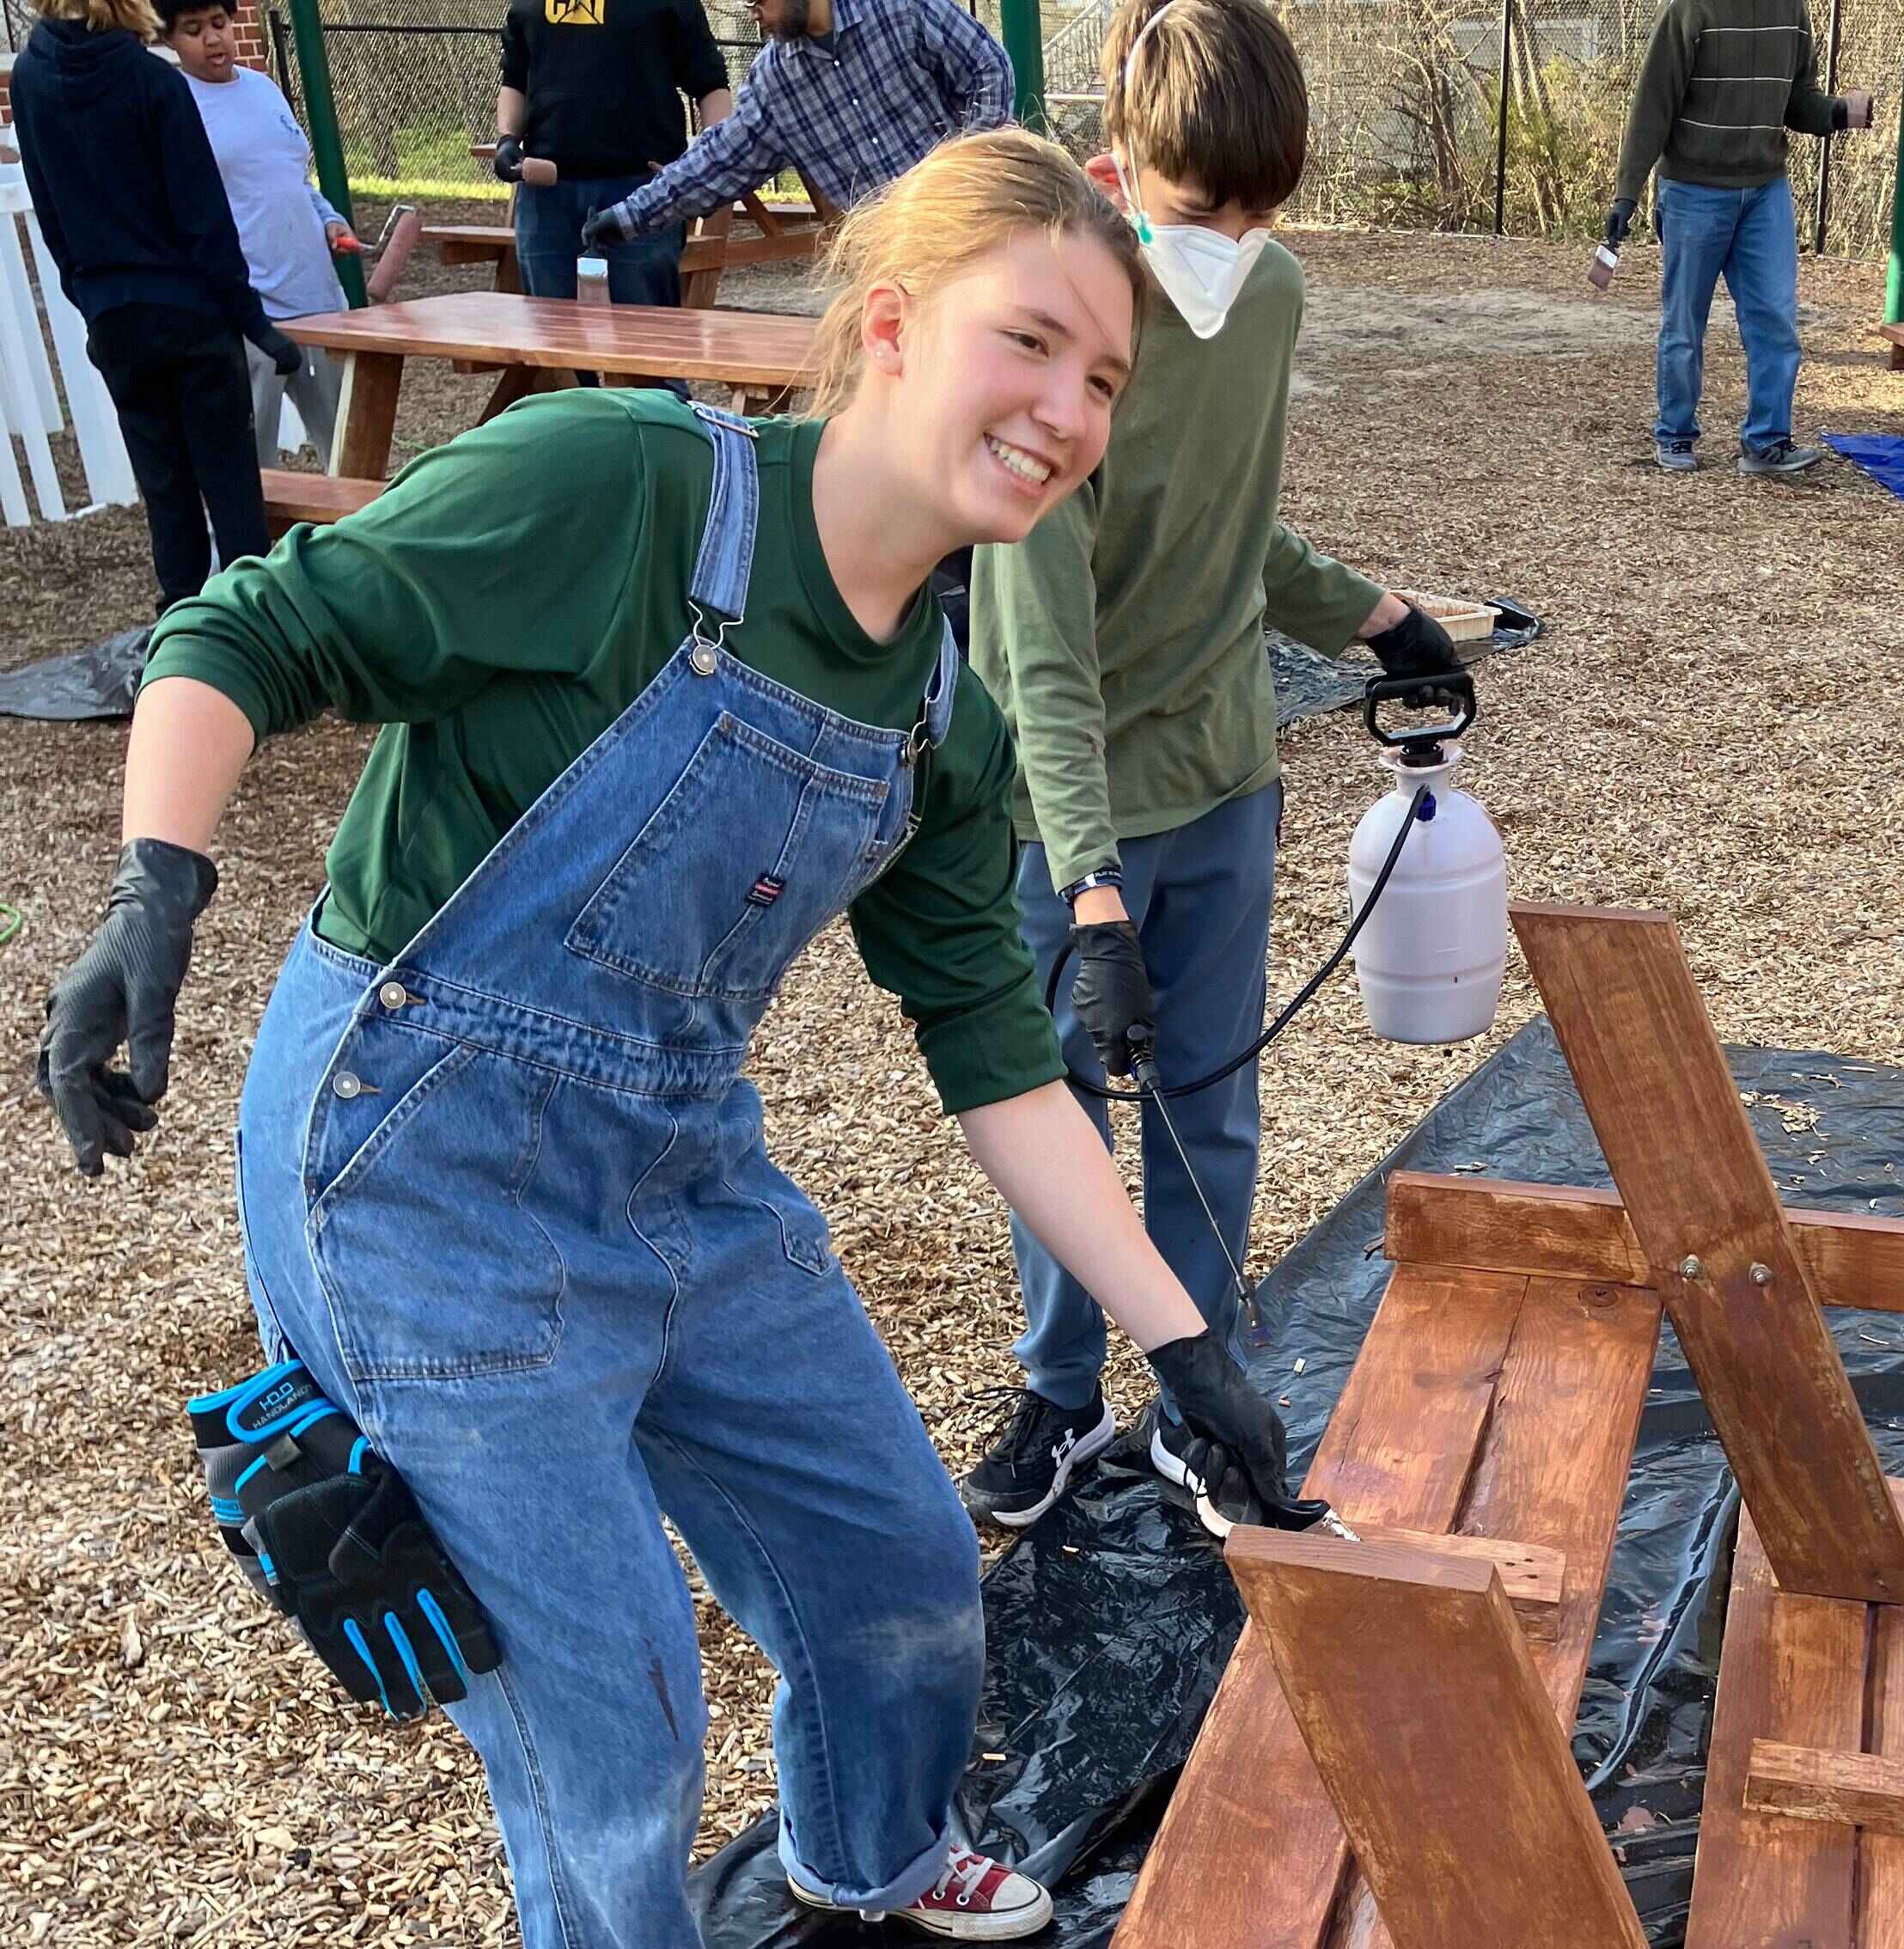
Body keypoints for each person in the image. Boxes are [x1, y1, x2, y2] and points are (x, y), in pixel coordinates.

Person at [34, 129, 1299, 1947]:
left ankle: (867, 1852)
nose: (1068, 407)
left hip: (677, 1161)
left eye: (1103, 377)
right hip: (419, 1178)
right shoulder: (619, 487)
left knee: (903, 1571)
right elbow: (251, 628)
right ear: (888, 326)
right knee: (610, 1710)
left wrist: (1190, 1353)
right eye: (1029, 340)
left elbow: (1000, 1055)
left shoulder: (948, 708)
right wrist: (155, 891)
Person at [958, 0, 1466, 1536]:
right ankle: (1054, 1391)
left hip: (1222, 773)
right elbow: (1035, 646)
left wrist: (1376, 617)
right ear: (1115, 171)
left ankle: (1194, 1393)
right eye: (1196, 213)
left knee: (1208, 1100)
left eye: (1258, 215)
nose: (1228, 243)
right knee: (1058, 1109)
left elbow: (1229, 522)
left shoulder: (1268, 295)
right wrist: (1090, 887)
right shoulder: (1059, 334)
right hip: (1061, 806)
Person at [9, 0, 298, 609]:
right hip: (190, 314)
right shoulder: (153, 80)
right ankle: (258, 636)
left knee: (165, 490)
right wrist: (254, 322)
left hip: (115, 316)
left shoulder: (30, 81)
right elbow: (204, 222)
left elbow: (51, 214)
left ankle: (180, 638)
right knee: (230, 485)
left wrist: (91, 301)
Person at [1606, 0, 1873, 476]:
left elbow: (1797, 102)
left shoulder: (1792, 12)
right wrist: (1627, 192)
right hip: (1693, 189)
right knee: (1686, 320)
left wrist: (1836, 113)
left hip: (1765, 188)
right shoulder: (1691, 12)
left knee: (1775, 316)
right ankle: (1675, 433)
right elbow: (1652, 105)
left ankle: (1767, 442)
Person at [577, 0, 1013, 261]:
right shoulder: (775, 83)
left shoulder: (901, 10)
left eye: (757, 0)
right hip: (892, 257)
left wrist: (969, 172)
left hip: (975, 231)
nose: (754, 16)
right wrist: (627, 217)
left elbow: (987, 67)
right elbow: (715, 162)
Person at [162, 0, 359, 462]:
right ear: (169, 39)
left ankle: (354, 533)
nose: (213, 39)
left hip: (320, 300)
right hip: (251, 312)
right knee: (252, 461)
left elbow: (295, 179)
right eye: (193, 29)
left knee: (349, 447)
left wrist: (328, 218)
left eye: (219, 23)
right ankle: (250, 538)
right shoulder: (175, 105)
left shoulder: (263, 89)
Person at [495, 0, 732, 306]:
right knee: (550, 337)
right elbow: (515, 79)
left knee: (644, 337)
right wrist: (507, 140)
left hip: (644, 193)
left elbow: (711, 85)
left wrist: (709, 169)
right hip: (547, 193)